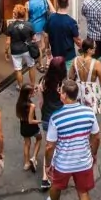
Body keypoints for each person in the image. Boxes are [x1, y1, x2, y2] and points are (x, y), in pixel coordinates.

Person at [45, 80, 100, 200]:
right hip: (83, 161)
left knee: (56, 186)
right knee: (83, 193)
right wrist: (93, 154)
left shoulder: (56, 117)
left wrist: (47, 164)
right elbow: (96, 137)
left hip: (63, 163)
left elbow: (50, 146)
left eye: (61, 91)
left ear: (64, 95)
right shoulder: (89, 112)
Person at [38, 58, 67, 191]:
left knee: (49, 146)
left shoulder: (43, 82)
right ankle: (59, 173)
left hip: (47, 117)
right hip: (61, 118)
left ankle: (45, 177)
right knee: (60, 145)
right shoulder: (65, 85)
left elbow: (41, 103)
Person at [69, 39, 101, 115]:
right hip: (92, 91)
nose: (95, 49)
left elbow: (70, 77)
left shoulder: (75, 60)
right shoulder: (96, 63)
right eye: (94, 48)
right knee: (91, 113)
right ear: (88, 50)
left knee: (80, 112)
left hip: (79, 89)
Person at [4, 5, 37, 89]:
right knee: (31, 66)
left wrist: (6, 52)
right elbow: (34, 38)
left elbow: (8, 42)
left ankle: (20, 86)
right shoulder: (29, 25)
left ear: (15, 15)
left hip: (15, 51)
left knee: (18, 69)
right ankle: (33, 85)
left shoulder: (10, 27)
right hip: (27, 49)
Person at [46, 0, 81, 71]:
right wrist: (83, 48)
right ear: (68, 4)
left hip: (55, 54)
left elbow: (46, 35)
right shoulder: (71, 22)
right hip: (69, 55)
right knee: (69, 78)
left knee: (57, 76)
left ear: (58, 4)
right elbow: (77, 39)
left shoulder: (51, 18)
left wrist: (47, 48)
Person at [16, 84, 42, 174]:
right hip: (32, 127)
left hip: (23, 127)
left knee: (27, 144)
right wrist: (40, 121)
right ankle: (34, 157)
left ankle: (26, 163)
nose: (34, 92)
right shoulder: (31, 106)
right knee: (39, 138)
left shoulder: (19, 103)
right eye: (32, 92)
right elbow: (31, 121)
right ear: (28, 94)